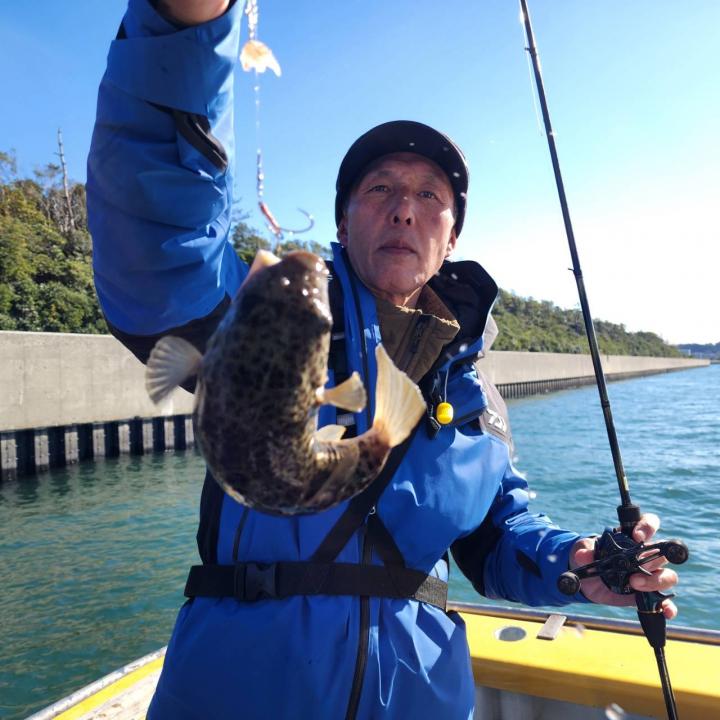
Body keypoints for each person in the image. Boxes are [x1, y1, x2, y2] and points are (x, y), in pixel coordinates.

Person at [87, 1, 679, 718]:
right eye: (380, 190)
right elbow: (161, 226)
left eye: (430, 195)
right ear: (343, 222)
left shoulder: (474, 396)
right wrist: (186, 27)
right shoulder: (269, 322)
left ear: (451, 237)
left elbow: (497, 538)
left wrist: (575, 564)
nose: (404, 209)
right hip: (238, 692)